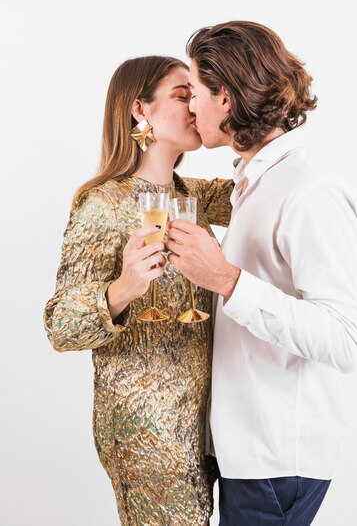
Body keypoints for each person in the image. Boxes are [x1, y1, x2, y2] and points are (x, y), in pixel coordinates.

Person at [166, 21, 357, 526]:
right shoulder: (252, 184)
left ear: (226, 100)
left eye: (195, 92)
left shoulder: (308, 189)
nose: (190, 106)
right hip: (245, 454)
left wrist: (226, 281)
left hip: (276, 460)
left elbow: (345, 340)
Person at [43, 56, 233, 526]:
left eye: (199, 95)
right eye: (182, 94)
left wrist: (233, 117)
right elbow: (59, 325)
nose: (195, 105)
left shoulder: (194, 196)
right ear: (139, 110)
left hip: (203, 426)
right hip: (144, 429)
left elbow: (264, 184)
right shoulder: (102, 202)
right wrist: (122, 289)